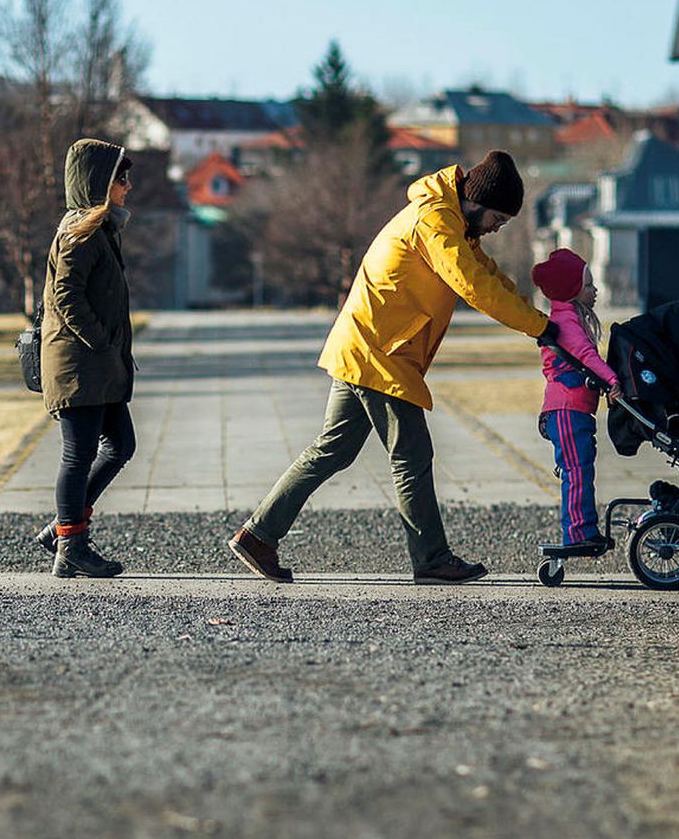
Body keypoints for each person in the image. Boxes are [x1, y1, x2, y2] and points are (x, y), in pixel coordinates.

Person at [227, 150, 553, 585]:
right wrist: (541, 329)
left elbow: (488, 276)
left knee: (333, 450)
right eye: (499, 218)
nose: (498, 227)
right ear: (477, 202)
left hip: (368, 345)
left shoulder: (456, 224)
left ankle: (257, 535)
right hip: (380, 351)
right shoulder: (436, 223)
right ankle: (432, 559)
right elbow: (474, 287)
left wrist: (540, 317)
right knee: (412, 456)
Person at [34, 138, 138, 578]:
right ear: (100, 182)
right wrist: (100, 342)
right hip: (80, 364)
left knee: (121, 446)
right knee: (78, 454)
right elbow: (66, 295)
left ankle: (63, 528)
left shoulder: (99, 229)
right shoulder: (81, 233)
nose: (128, 186)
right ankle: (71, 544)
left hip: (99, 366)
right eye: (121, 177)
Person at [529, 249, 623, 551]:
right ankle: (577, 534)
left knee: (581, 468)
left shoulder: (570, 320)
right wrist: (612, 381)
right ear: (571, 289)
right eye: (588, 286)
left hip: (575, 411)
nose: (594, 291)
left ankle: (584, 529)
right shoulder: (567, 325)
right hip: (566, 411)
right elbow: (586, 356)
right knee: (576, 471)